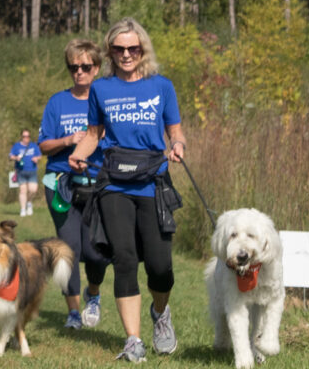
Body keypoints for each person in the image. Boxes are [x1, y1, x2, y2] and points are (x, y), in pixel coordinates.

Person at [70, 19, 187, 363]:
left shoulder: (161, 86)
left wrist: (177, 146)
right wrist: (79, 154)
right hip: (114, 183)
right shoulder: (101, 88)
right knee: (123, 259)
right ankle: (133, 340)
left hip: (153, 181)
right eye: (119, 48)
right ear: (110, 51)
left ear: (142, 49)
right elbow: (94, 134)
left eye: (132, 48)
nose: (126, 54)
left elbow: (175, 131)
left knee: (160, 265)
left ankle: (160, 314)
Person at [39, 39, 110, 330]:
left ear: (96, 68)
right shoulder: (57, 102)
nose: (79, 72)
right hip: (60, 183)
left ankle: (93, 294)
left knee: (95, 252)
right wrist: (68, 141)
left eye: (85, 67)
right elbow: (43, 146)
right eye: (73, 67)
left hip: (97, 184)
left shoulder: (106, 98)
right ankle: (72, 313)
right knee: (69, 249)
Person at [9, 129, 42, 217]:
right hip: (20, 171)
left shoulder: (34, 146)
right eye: (24, 136)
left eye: (28, 136)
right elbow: (11, 156)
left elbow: (39, 155)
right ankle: (23, 209)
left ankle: (29, 202)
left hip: (32, 170)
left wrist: (36, 159)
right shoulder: (16, 146)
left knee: (33, 190)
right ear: (21, 137)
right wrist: (16, 158)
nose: (26, 138)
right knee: (22, 190)